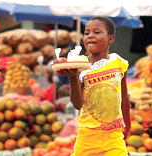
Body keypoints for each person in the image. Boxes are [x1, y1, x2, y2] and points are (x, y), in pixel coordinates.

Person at [56, 16, 131, 156]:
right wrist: (73, 78)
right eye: (86, 33)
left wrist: (128, 125)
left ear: (111, 39)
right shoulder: (79, 64)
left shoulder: (119, 63)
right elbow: (77, 105)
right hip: (87, 138)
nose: (90, 36)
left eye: (96, 32)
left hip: (113, 137)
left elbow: (124, 99)